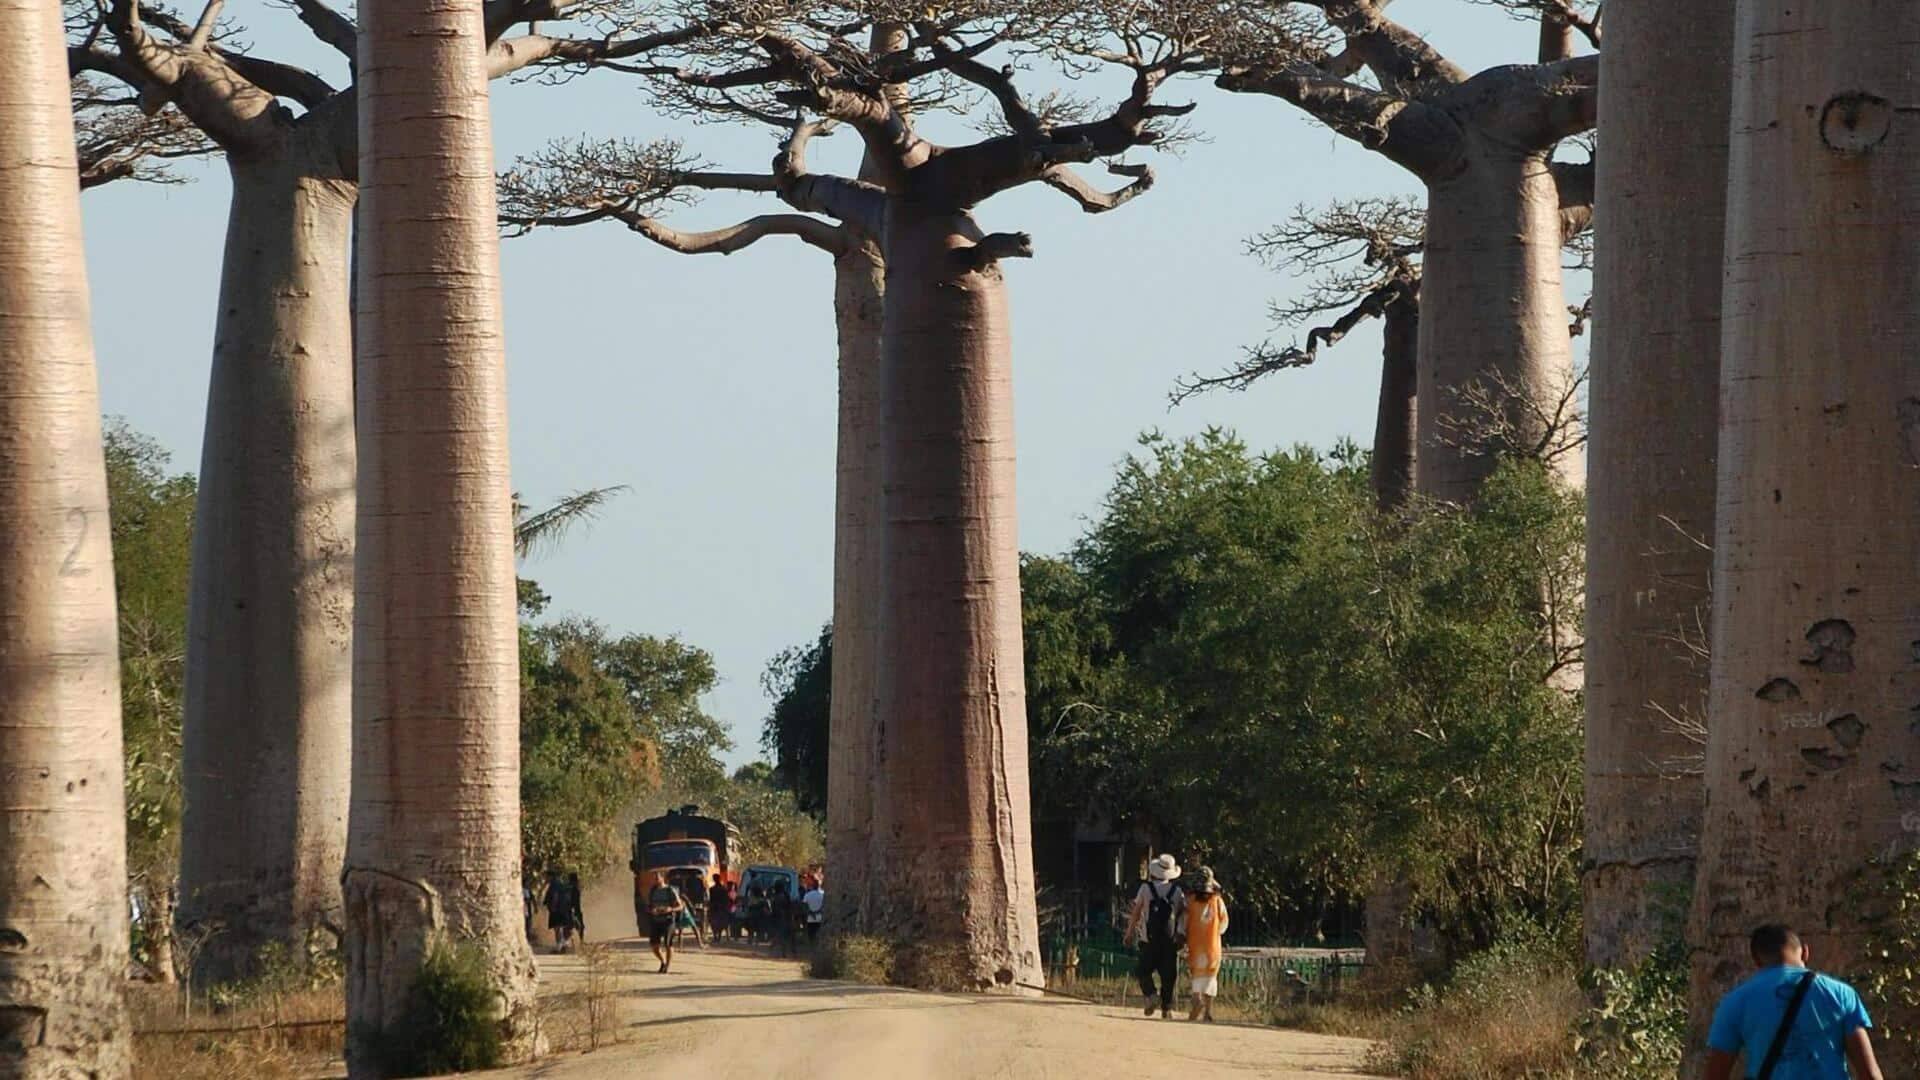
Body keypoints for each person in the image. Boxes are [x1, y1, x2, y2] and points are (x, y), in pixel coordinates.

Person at [1705, 924, 1883, 1080]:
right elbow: (1869, 1074)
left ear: (1756, 961)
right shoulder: (1841, 994)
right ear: (1805, 952)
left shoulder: (1735, 1002)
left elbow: (1716, 1075)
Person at [1125, 853, 1186, 1019]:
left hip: (1148, 939)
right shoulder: (1177, 891)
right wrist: (1181, 933)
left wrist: (1129, 932)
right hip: (1169, 940)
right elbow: (1182, 914)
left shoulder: (1146, 889)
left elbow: (1136, 913)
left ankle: (1151, 995)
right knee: (1168, 976)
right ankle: (1167, 1009)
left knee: (1143, 971)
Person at [1184, 867, 1228, 1022]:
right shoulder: (1218, 902)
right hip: (1213, 947)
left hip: (1195, 946)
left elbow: (1184, 924)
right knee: (1210, 978)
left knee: (1197, 977)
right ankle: (1207, 1012)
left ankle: (1197, 1002)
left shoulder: (1189, 902)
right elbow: (1224, 924)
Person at [646, 875, 686, 974]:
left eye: (657, 878)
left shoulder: (670, 890)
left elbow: (680, 906)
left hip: (668, 921)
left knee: (668, 944)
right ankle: (662, 961)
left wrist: (671, 909)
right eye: (654, 878)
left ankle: (667, 967)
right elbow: (648, 907)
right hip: (656, 921)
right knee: (654, 945)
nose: (655, 880)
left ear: (662, 878)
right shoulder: (652, 891)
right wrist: (652, 911)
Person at [544, 870, 573, 952]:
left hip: (556, 909)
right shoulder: (561, 884)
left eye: (546, 877)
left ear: (550, 876)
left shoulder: (554, 884)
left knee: (557, 927)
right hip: (563, 909)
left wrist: (553, 906)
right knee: (559, 927)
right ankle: (563, 944)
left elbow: (554, 895)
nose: (546, 879)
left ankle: (559, 946)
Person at [684, 873, 710, 948]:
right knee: (703, 919)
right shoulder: (700, 880)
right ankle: (702, 935)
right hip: (698, 902)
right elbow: (704, 890)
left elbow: (687, 891)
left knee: (697, 919)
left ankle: (701, 935)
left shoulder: (689, 881)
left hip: (692, 902)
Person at [709, 876, 733, 941]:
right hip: (720, 907)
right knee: (720, 922)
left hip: (716, 907)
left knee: (715, 922)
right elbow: (726, 899)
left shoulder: (712, 889)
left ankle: (716, 937)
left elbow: (711, 899)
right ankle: (717, 936)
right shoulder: (723, 889)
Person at [803, 879, 826, 946]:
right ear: (818, 885)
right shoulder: (822, 895)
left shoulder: (807, 895)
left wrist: (811, 913)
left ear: (812, 886)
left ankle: (811, 947)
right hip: (820, 918)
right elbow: (824, 906)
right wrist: (817, 912)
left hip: (810, 918)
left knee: (811, 935)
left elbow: (804, 906)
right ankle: (817, 947)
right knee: (818, 934)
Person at [567, 872, 586, 944]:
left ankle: (574, 942)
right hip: (575, 910)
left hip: (572, 910)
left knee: (572, 927)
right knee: (579, 927)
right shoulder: (574, 889)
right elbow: (574, 901)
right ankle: (580, 941)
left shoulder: (570, 888)